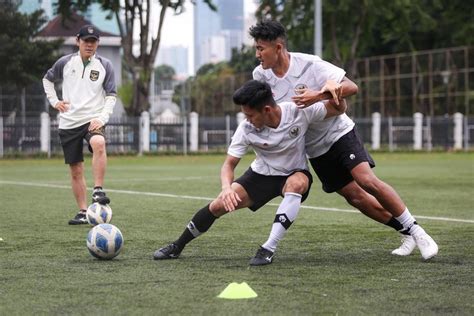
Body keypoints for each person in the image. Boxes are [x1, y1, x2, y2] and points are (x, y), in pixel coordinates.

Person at [249, 20, 438, 260]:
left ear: (278, 47)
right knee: (355, 197)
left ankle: (419, 232)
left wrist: (316, 95)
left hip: (338, 133)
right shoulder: (260, 75)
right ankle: (405, 231)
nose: (257, 54)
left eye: (261, 48)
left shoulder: (310, 64)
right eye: (256, 48)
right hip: (314, 147)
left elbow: (351, 86)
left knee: (366, 180)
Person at [154, 79, 347, 265]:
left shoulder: (298, 112)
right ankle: (177, 246)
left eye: (250, 115)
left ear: (266, 110)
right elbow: (229, 165)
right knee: (217, 206)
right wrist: (226, 188)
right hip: (261, 175)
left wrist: (328, 92)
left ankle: (268, 248)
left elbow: (339, 109)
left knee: (297, 184)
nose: (247, 120)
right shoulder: (246, 129)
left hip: (294, 173)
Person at [42, 25, 116, 225]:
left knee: (99, 143)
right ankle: (83, 212)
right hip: (68, 123)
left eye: (93, 41)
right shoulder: (65, 62)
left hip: (93, 120)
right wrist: (55, 102)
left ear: (98, 43)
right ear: (78, 41)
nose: (90, 45)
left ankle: (98, 190)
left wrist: (102, 118)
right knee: (76, 170)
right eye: (86, 41)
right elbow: (47, 80)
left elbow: (111, 95)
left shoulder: (105, 65)